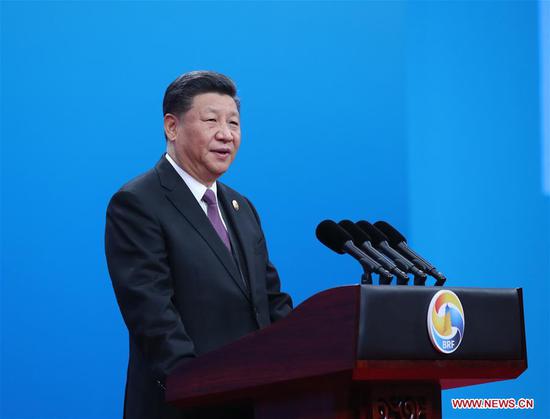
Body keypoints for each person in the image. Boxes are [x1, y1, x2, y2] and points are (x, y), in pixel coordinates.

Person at [105, 71, 293, 419]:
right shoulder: (138, 203)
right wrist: (198, 385)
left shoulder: (241, 207)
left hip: (256, 400)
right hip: (186, 405)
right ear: (172, 127)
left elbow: (269, 301)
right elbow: (153, 315)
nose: (226, 134)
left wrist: (303, 359)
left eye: (234, 123)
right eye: (211, 121)